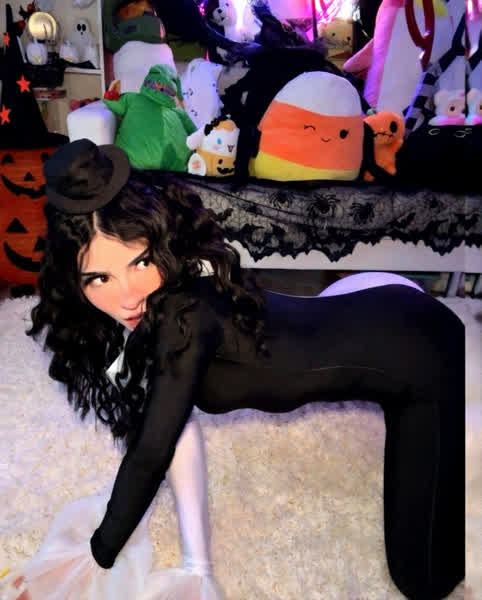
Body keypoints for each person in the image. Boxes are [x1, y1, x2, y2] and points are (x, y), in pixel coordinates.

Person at [2, 139, 464, 600]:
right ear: (74, 283)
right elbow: (171, 432)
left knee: (424, 583)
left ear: (159, 241)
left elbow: (150, 455)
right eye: (99, 278)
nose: (127, 297)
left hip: (419, 357)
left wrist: (94, 557)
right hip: (371, 309)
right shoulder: (168, 297)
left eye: (140, 262)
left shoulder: (183, 320)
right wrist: (196, 568)